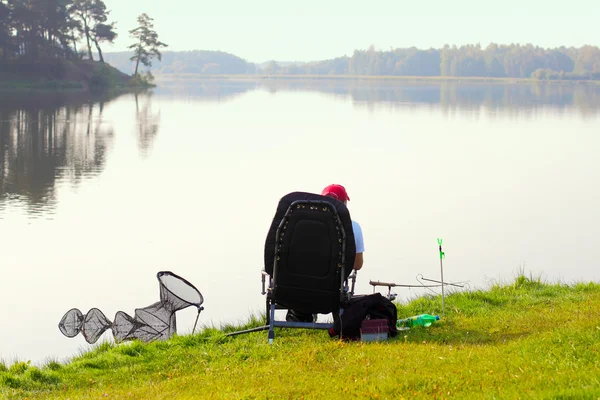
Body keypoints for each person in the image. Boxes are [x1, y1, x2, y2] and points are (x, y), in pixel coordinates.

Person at [286, 184, 365, 323]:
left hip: (297, 288)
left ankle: (299, 315)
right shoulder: (353, 227)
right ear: (344, 203)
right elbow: (357, 265)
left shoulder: (301, 224)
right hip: (333, 291)